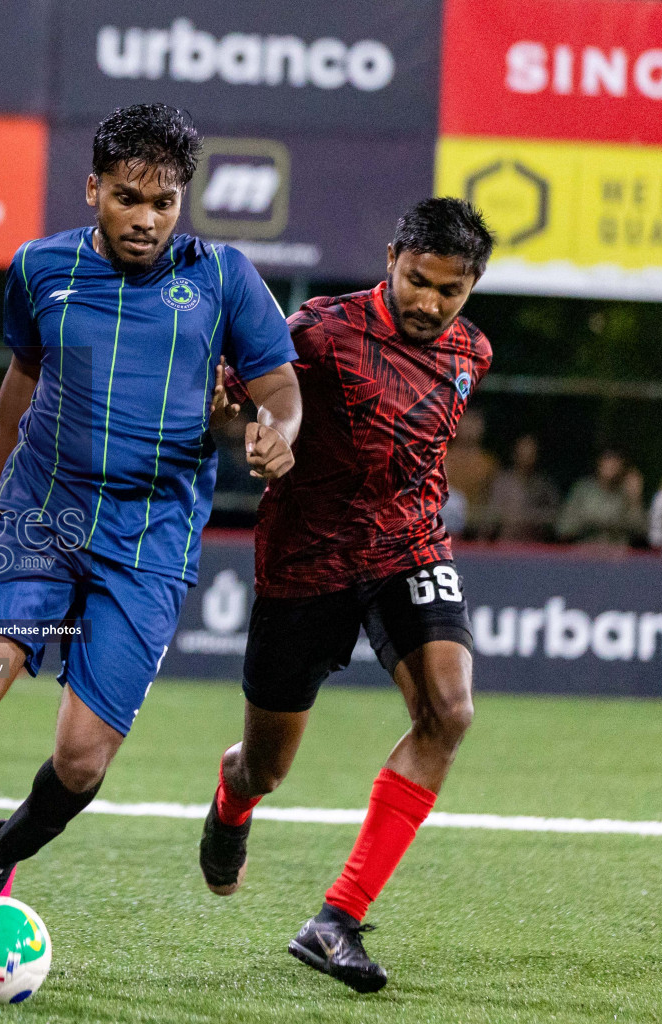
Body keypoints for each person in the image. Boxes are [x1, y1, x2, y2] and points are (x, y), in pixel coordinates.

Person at [0, 103, 302, 981]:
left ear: (184, 201)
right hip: (42, 514)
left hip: (149, 538)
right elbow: (24, 370)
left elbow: (279, 384)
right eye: (128, 196)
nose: (145, 217)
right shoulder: (38, 268)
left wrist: (278, 429)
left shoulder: (224, 280)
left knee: (82, 760)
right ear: (93, 187)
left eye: (164, 202)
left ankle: (1, 848)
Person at [201, 198, 495, 993]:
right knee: (268, 766)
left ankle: (336, 919)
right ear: (392, 257)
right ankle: (233, 794)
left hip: (409, 547)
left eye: (451, 290)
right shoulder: (321, 331)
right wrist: (251, 422)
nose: (430, 303)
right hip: (307, 563)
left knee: (450, 711)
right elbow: (248, 389)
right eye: (418, 280)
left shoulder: (472, 352)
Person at [555, 450, 645, 547]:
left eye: (616, 462)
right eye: (608, 461)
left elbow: (642, 531)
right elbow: (563, 528)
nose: (612, 466)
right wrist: (592, 521)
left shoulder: (626, 493)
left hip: (618, 555)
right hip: (585, 551)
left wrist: (635, 500)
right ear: (599, 464)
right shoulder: (583, 490)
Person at [483, 434, 559, 542]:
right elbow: (490, 515)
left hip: (534, 544)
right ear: (515, 453)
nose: (526, 456)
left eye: (530, 452)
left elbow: (554, 517)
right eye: (523, 451)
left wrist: (529, 518)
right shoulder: (502, 482)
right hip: (504, 542)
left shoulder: (544, 486)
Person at [442, 410, 496, 537]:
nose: (470, 427)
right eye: (466, 421)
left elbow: (489, 500)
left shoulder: (488, 463)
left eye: (475, 422)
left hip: (475, 529)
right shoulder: (442, 457)